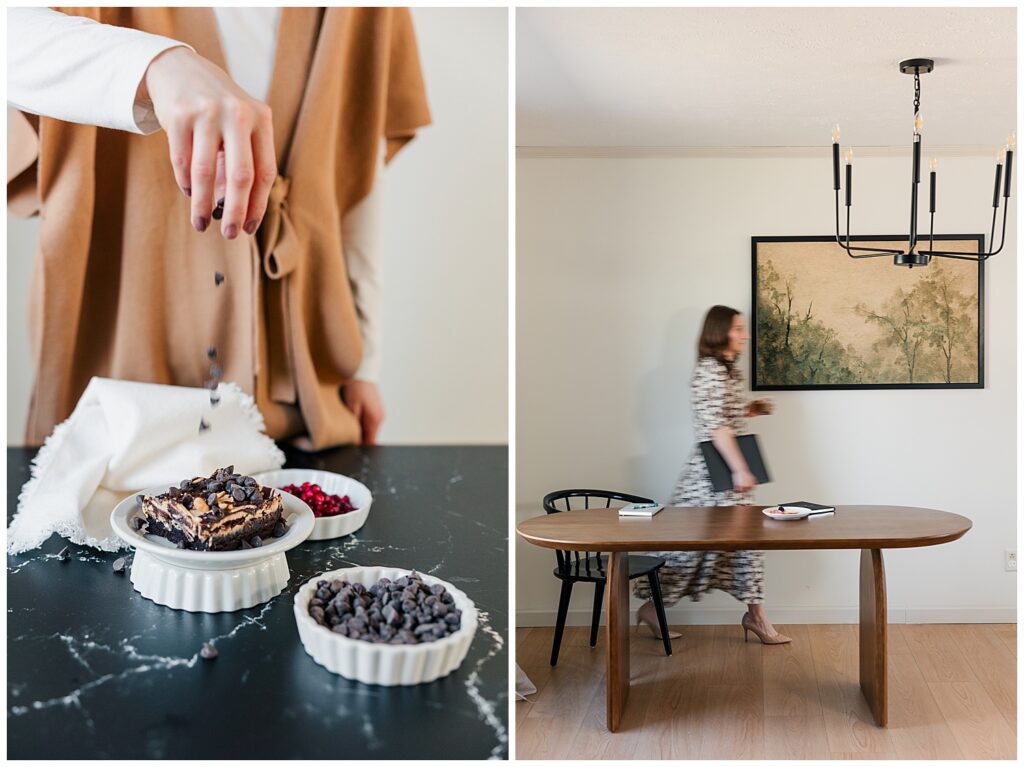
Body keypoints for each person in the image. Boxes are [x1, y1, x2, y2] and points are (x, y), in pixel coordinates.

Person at [7, 7, 430, 448]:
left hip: (298, 384)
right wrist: (158, 66)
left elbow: (357, 177)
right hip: (120, 365)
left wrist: (363, 366)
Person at [633, 305, 792, 645]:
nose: (744, 335)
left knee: (747, 547)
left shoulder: (727, 371)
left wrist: (751, 409)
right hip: (711, 479)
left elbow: (722, 415)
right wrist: (740, 469)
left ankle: (756, 616)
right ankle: (652, 608)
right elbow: (715, 428)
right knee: (690, 551)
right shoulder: (710, 371)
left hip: (727, 477)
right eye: (738, 328)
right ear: (719, 331)